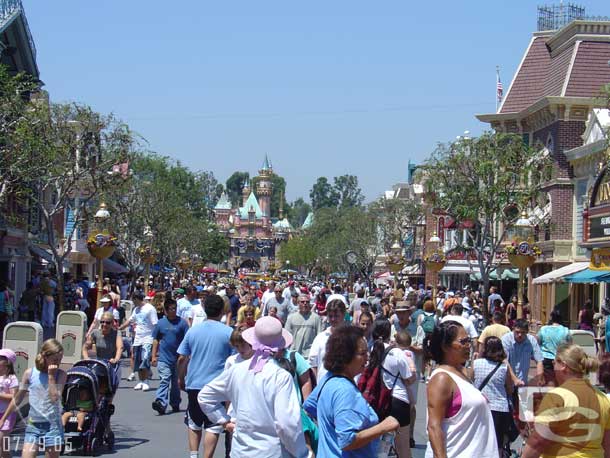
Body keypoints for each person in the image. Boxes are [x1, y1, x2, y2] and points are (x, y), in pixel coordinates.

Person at [198, 316, 309, 458]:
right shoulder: (280, 376)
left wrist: (224, 421)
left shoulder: (237, 370)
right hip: (272, 452)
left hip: (241, 450)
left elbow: (205, 396)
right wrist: (301, 452)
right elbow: (286, 424)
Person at [303, 325, 400, 457]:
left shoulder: (329, 378)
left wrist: (330, 429)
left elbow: (310, 406)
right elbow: (347, 441)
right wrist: (384, 427)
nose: (367, 357)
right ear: (345, 356)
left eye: (367, 352)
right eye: (362, 353)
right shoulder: (345, 391)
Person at [521, 344, 610, 458]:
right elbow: (607, 445)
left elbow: (539, 440)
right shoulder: (603, 398)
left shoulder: (557, 397)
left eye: (554, 363)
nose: (553, 368)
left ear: (563, 365)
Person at [424, 321, 498, 458]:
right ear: (445, 346)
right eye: (463, 342)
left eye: (469, 341)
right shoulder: (442, 379)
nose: (468, 346)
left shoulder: (462, 373)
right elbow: (434, 427)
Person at [178, 294, 233, 458]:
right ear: (222, 311)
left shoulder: (193, 331)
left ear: (204, 308)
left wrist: (181, 378)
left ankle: (193, 455)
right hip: (218, 385)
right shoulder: (228, 332)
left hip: (195, 382)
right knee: (213, 424)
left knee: (194, 421)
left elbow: (182, 357)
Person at [0, 339, 66, 458]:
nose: (58, 363)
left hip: (53, 426)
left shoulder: (60, 374)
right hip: (33, 425)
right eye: (55, 359)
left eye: (60, 359)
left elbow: (55, 398)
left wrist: (51, 376)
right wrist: (3, 419)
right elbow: (18, 399)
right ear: (45, 357)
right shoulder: (29, 373)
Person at [371, 320, 415, 457]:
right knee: (403, 448)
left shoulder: (373, 349)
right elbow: (409, 378)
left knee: (382, 448)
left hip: (381, 401)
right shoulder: (396, 352)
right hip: (399, 401)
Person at [473, 337, 514, 458]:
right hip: (499, 408)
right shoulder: (504, 368)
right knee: (497, 444)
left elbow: (469, 382)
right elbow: (510, 389)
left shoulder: (476, 364)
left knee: (479, 440)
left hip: (479, 406)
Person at [151, 298, 189, 415]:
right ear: (166, 310)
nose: (173, 311)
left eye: (175, 308)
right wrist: (153, 356)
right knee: (164, 379)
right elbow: (156, 340)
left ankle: (175, 403)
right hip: (164, 358)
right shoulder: (160, 323)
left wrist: (187, 356)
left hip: (178, 359)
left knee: (176, 383)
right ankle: (161, 402)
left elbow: (187, 340)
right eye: (171, 309)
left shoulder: (182, 323)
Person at [118, 291, 158, 391]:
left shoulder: (150, 309)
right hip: (137, 338)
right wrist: (120, 328)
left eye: (134, 300)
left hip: (148, 338)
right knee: (137, 360)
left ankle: (146, 381)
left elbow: (155, 324)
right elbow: (130, 320)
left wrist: (157, 339)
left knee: (145, 359)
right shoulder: (136, 309)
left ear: (138, 299)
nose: (133, 302)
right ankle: (141, 381)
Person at [308, 299, 346, 382]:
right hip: (324, 386)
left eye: (336, 316)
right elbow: (313, 365)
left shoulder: (352, 337)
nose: (333, 319)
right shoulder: (320, 338)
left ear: (343, 315)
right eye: (330, 316)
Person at [502, 319, 544, 386]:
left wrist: (539, 379)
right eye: (517, 332)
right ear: (513, 329)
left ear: (527, 332)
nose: (519, 335)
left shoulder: (531, 340)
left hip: (523, 382)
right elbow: (504, 361)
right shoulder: (506, 339)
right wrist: (515, 379)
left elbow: (539, 360)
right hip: (507, 382)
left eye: (523, 332)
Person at [537, 309, 571, 385]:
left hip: (546, 358)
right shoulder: (565, 331)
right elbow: (569, 345)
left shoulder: (544, 329)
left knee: (549, 381)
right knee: (559, 381)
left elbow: (538, 342)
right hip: (560, 358)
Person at [285, 294, 323, 359]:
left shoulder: (316, 318)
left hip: (309, 355)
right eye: (302, 302)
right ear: (298, 303)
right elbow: (286, 336)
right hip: (294, 354)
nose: (305, 304)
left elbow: (319, 337)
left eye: (307, 302)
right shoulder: (291, 317)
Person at [0, 349, 18, 458]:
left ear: (8, 363)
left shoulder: (12, 378)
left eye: (1, 359)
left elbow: (14, 397)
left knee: (3, 445)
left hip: (7, 414)